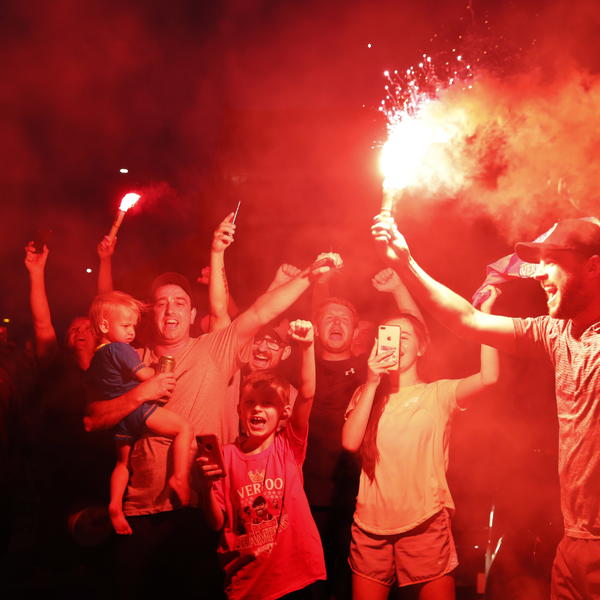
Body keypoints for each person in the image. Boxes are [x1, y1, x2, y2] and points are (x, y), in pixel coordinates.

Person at [83, 211, 342, 598]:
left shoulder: (214, 348)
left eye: (179, 303)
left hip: (203, 509)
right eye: (162, 303)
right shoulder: (128, 358)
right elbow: (92, 420)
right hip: (141, 512)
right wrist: (140, 393)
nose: (170, 310)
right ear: (151, 313)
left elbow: (261, 312)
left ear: (191, 314)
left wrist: (309, 274)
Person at [371, 214, 600, 600]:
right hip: (573, 541)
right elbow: (467, 320)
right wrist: (404, 263)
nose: (540, 274)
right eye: (539, 262)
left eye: (553, 262)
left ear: (593, 267)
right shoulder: (555, 332)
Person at [341, 279, 499, 600]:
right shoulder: (366, 394)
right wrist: (371, 383)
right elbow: (350, 443)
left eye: (406, 337)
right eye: (390, 336)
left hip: (425, 521)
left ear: (421, 347)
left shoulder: (437, 394)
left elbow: (489, 378)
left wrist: (486, 317)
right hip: (370, 526)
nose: (397, 343)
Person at [196, 320, 325, 600]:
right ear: (239, 409)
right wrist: (204, 487)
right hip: (247, 584)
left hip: (295, 578)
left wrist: (307, 346)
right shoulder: (226, 456)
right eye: (250, 403)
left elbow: (307, 393)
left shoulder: (288, 446)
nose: (257, 409)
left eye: (267, 403)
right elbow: (216, 523)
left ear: (284, 413)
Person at [87, 290, 189, 534]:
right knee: (183, 428)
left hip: (119, 419)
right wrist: (161, 370)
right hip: (136, 410)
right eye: (125, 326)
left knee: (122, 463)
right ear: (104, 325)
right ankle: (179, 477)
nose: (131, 332)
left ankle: (114, 505)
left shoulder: (96, 358)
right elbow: (146, 377)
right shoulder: (121, 349)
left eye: (133, 326)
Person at [303, 296, 367, 599]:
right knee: (308, 585)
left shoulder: (369, 369)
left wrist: (398, 288)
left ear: (355, 331)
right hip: (305, 496)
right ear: (316, 329)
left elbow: (414, 338)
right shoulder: (300, 365)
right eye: (329, 317)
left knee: (344, 587)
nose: (337, 322)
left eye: (344, 318)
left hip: (354, 496)